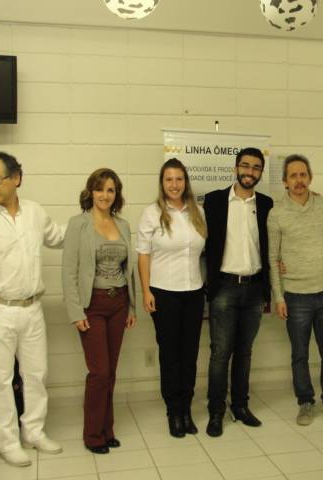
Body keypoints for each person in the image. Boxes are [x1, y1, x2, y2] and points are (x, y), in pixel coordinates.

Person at [0, 152, 65, 467]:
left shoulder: (34, 212)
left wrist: (92, 223)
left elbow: (58, 237)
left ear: (16, 178)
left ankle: (34, 431)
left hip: (32, 309)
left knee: (36, 374)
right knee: (0, 381)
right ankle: (8, 442)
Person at [267, 154, 323, 426]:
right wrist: (278, 297)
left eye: (303, 174)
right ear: (285, 181)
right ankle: (305, 402)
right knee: (300, 354)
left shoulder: (322, 205)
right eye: (293, 176)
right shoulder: (276, 213)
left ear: (310, 178)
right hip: (295, 296)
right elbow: (273, 258)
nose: (299, 180)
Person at [62, 168, 136, 454]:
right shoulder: (77, 224)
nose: (105, 195)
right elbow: (69, 271)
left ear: (116, 194)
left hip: (119, 303)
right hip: (91, 305)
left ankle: (107, 430)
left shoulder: (123, 225)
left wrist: (131, 306)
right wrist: (76, 312)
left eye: (110, 190)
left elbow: (127, 270)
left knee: (111, 372)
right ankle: (93, 435)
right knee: (99, 372)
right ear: (90, 192)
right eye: (100, 189)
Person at [203, 147, 273, 437]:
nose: (250, 171)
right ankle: (216, 411)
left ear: (260, 173)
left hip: (255, 289)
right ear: (235, 168)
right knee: (221, 353)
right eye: (245, 166)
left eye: (256, 167)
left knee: (244, 352)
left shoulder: (267, 204)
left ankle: (241, 406)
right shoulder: (214, 201)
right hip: (224, 288)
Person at [137, 158, 207, 438]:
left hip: (194, 293)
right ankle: (173, 412)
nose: (174, 185)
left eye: (179, 179)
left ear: (185, 182)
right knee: (170, 355)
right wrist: (146, 291)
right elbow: (143, 255)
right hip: (164, 293)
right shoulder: (152, 213)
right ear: (162, 183)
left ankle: (186, 409)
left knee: (190, 354)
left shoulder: (198, 212)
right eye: (169, 179)